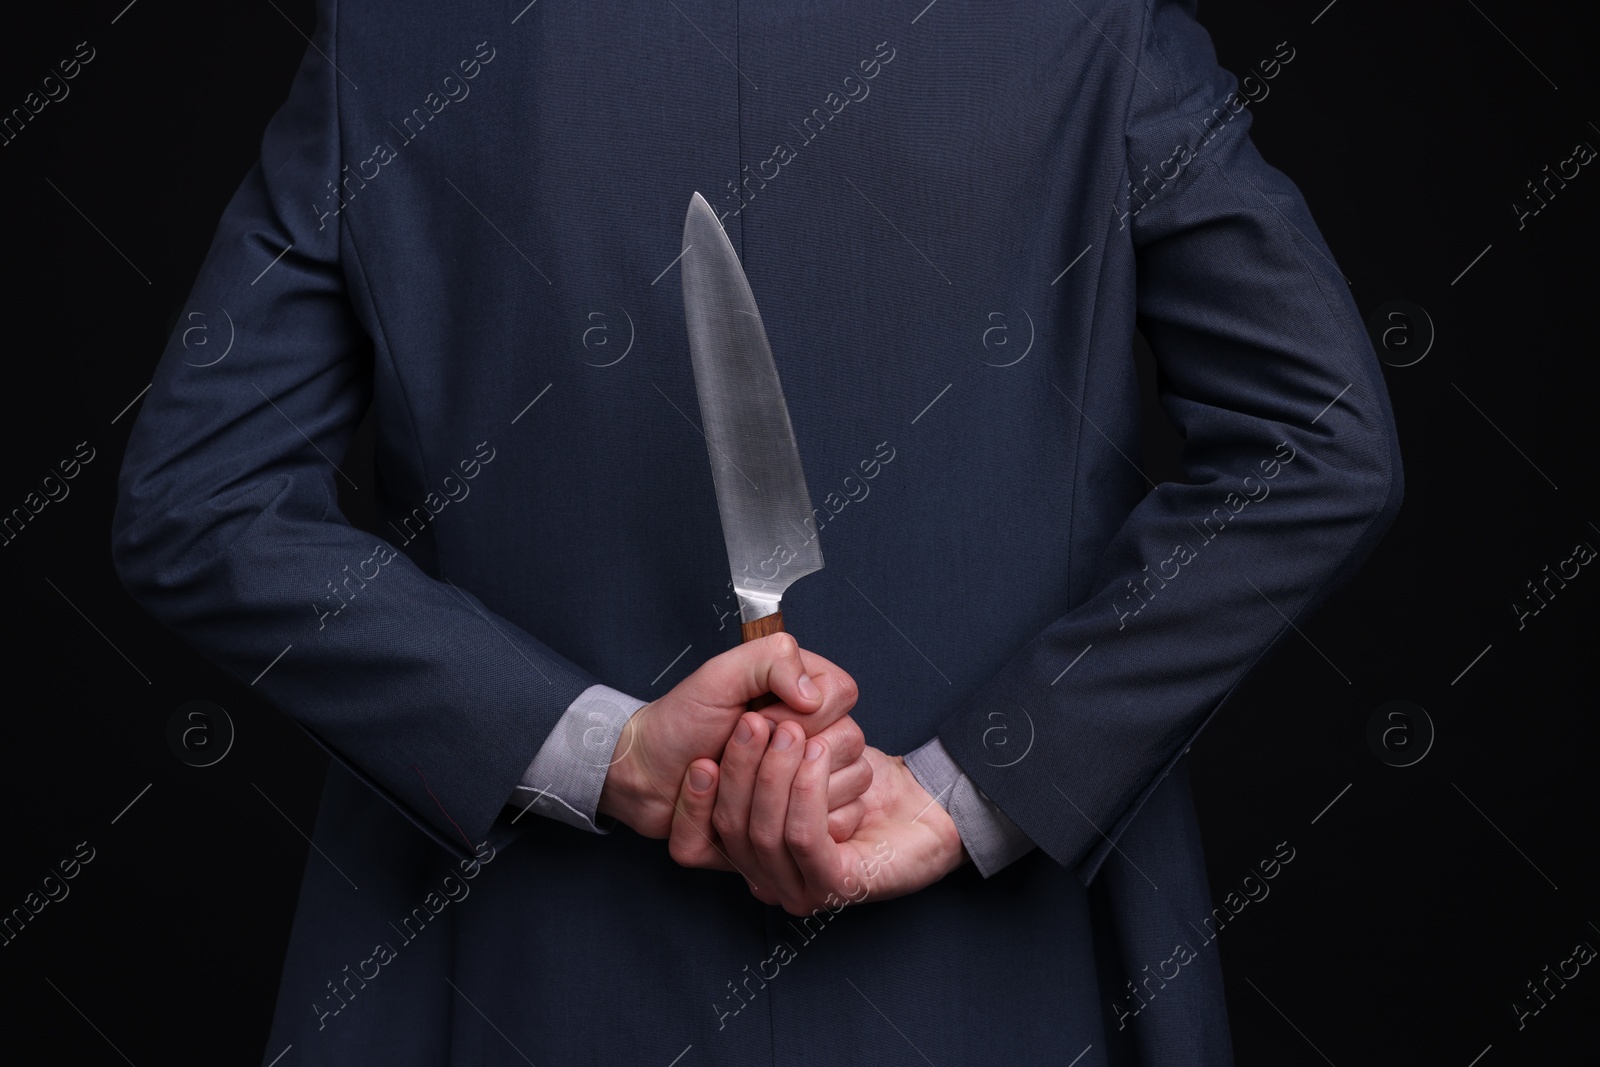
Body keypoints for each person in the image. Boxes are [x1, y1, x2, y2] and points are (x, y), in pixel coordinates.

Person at [111, 1, 1402, 1064]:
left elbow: (199, 502)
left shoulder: (400, 38)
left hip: (498, 993)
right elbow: (1323, 438)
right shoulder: (1092, 27)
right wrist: (978, 784)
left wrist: (597, 751)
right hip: (1021, 1001)